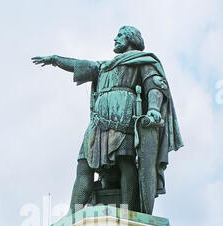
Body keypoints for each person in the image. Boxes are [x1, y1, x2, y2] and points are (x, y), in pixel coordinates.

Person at [32, 25, 183, 213]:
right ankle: (73, 214)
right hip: (97, 122)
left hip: (124, 118)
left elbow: (154, 85)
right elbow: (79, 65)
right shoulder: (103, 66)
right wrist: (55, 59)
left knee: (125, 162)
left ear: (131, 39)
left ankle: (129, 213)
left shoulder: (142, 61)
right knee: (84, 165)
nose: (115, 39)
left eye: (120, 35)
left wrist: (153, 108)